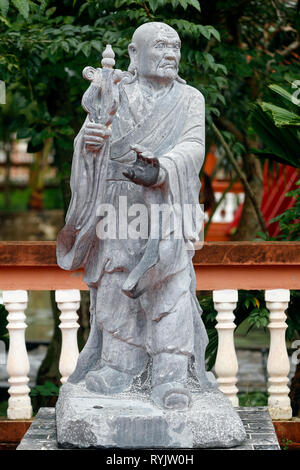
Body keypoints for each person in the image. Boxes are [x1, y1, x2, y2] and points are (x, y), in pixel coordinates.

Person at [57, 22, 211, 410]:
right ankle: (118, 365)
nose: (170, 54)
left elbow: (194, 146)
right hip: (119, 205)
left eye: (175, 47)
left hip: (166, 203)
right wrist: (89, 146)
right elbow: (90, 142)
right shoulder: (114, 94)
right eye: (160, 47)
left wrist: (161, 169)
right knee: (114, 279)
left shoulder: (190, 98)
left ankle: (171, 374)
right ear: (133, 52)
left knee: (170, 284)